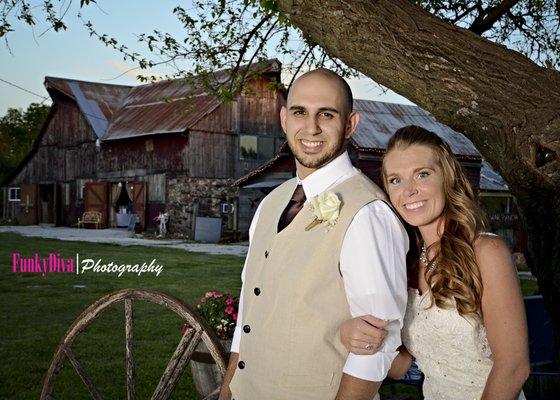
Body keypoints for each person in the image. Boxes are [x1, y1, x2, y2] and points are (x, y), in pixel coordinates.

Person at [218, 69, 409, 400]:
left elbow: (377, 347)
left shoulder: (368, 213)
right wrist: (229, 391)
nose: (311, 127)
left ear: (350, 124)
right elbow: (250, 313)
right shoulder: (269, 205)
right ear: (283, 119)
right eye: (299, 112)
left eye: (327, 114)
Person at [340, 125, 530, 399]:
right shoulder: (404, 265)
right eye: (395, 180)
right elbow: (400, 367)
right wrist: (352, 335)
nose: (409, 191)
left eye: (422, 174)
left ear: (447, 178)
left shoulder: (487, 252)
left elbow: (514, 367)